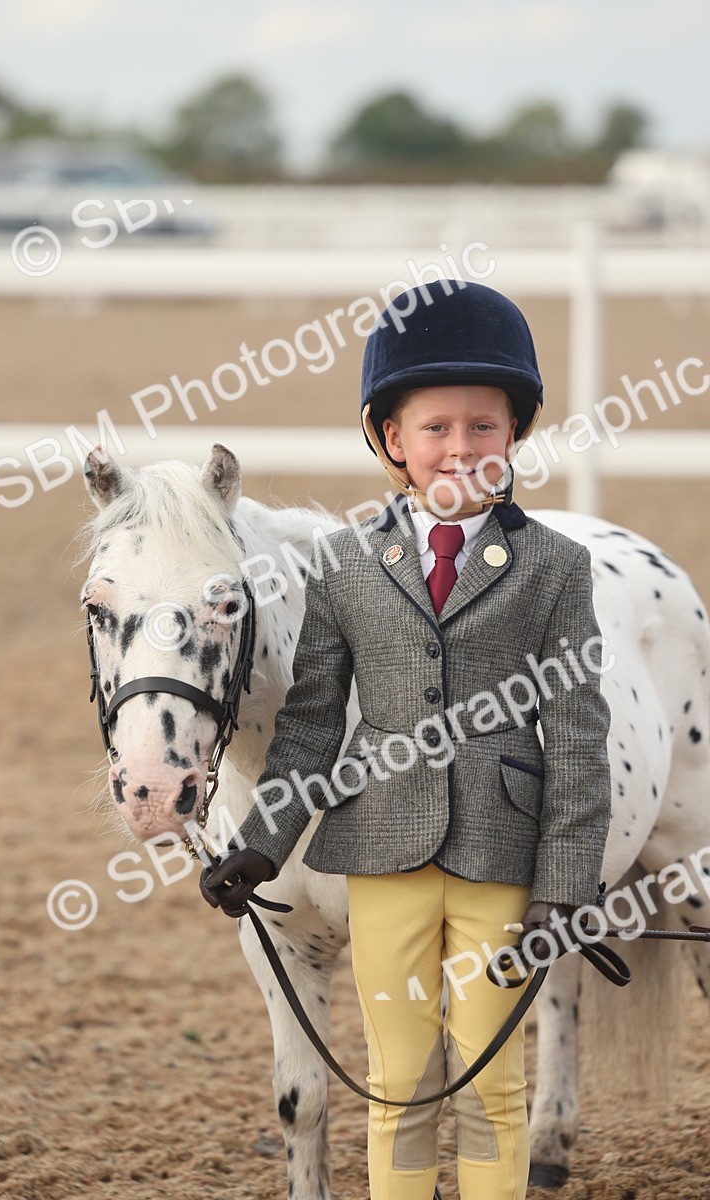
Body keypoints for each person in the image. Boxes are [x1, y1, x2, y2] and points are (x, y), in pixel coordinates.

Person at [201, 279, 612, 1200]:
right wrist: (261, 841)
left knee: (492, 1084)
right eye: (436, 429)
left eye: (483, 427)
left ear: (516, 437)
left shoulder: (555, 567)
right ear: (391, 439)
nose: (460, 449)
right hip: (378, 858)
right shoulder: (344, 564)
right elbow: (308, 729)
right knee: (400, 1082)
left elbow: (581, 738)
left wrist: (569, 886)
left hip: (501, 863)